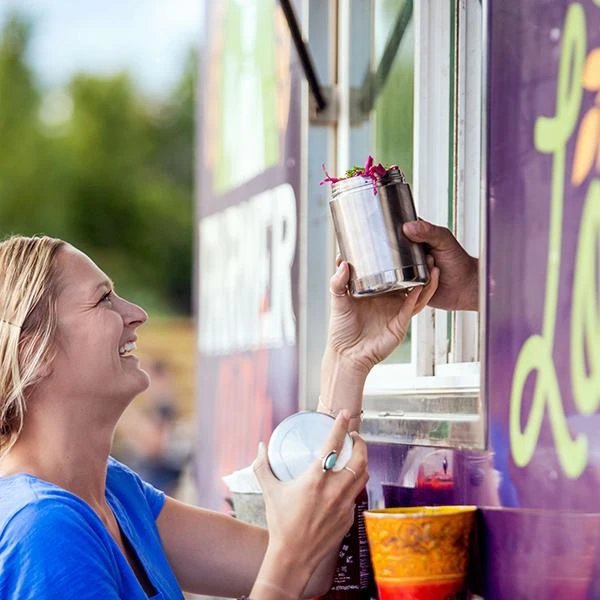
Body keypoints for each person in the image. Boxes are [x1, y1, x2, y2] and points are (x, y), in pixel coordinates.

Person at [0, 234, 440, 599]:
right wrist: (289, 556)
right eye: (103, 300)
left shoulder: (111, 490)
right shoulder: (43, 529)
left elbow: (306, 570)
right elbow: (288, 564)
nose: (137, 314)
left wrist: (346, 361)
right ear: (34, 351)